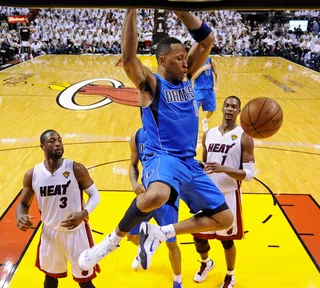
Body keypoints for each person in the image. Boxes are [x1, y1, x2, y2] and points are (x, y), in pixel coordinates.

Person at [78, 9, 233, 274]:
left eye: (186, 58)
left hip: (189, 162)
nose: (186, 63)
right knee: (159, 194)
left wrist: (180, 10)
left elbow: (207, 41)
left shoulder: (186, 76)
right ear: (162, 60)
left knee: (224, 219)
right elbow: (128, 59)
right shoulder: (151, 84)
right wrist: (131, 9)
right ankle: (109, 243)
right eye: (179, 58)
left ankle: (161, 232)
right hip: (163, 157)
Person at [16, 130, 101, 288]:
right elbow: (23, 204)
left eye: (60, 140)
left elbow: (95, 195)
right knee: (50, 279)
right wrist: (20, 215)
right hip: (50, 234)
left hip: (77, 234)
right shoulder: (33, 174)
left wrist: (84, 213)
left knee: (86, 282)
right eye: (52, 141)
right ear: (42, 146)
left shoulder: (76, 168)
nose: (57, 144)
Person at [192, 96, 255, 288]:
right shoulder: (208, 134)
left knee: (226, 241)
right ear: (222, 108)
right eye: (227, 105)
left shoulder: (244, 137)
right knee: (198, 237)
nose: (229, 109)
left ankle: (230, 275)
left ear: (239, 111)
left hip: (229, 195)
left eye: (234, 107)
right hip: (206, 194)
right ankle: (206, 263)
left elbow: (250, 174)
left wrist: (223, 169)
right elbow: (204, 165)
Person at [127, 127, 183, 288]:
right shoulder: (137, 136)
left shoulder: (171, 133)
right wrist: (133, 183)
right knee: (131, 235)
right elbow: (133, 164)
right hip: (146, 196)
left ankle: (178, 281)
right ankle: (146, 247)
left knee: (171, 244)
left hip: (167, 198)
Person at [191, 57, 218, 132]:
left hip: (209, 90)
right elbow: (192, 78)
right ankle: (193, 128)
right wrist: (202, 69)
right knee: (194, 110)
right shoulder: (196, 62)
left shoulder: (211, 61)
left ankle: (205, 120)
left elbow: (217, 74)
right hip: (198, 90)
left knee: (211, 110)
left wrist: (216, 86)